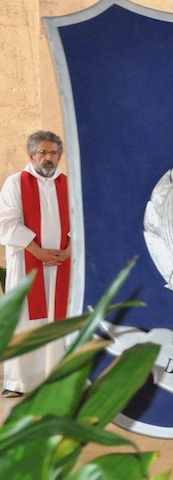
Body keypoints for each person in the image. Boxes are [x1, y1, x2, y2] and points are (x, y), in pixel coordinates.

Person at [0, 131, 72, 397]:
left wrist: (69, 251)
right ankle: (18, 383)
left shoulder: (69, 184)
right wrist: (37, 252)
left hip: (63, 265)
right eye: (42, 152)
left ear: (60, 156)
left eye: (53, 153)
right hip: (27, 264)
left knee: (60, 320)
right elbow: (6, 223)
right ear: (31, 155)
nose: (48, 158)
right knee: (24, 321)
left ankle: (56, 379)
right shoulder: (15, 183)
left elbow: (82, 221)